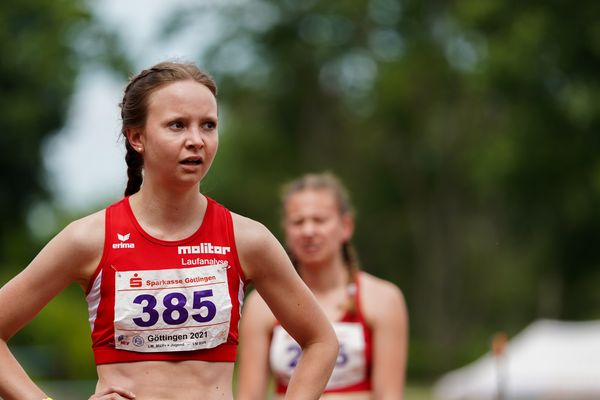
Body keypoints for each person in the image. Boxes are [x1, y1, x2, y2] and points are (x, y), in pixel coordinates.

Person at [0, 61, 338, 400]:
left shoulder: (248, 239)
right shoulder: (89, 238)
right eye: (177, 125)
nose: (196, 140)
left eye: (208, 125)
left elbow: (321, 341)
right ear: (137, 137)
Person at [237, 172, 409, 400]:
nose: (308, 231)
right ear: (286, 231)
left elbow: (389, 395)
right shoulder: (261, 305)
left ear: (346, 226)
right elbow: (249, 396)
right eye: (298, 222)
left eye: (319, 220)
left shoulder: (383, 299)